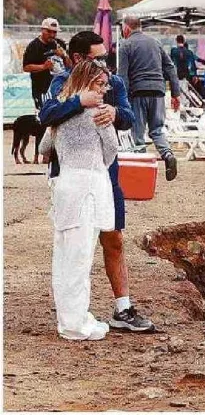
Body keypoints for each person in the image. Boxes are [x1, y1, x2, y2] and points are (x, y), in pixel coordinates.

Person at [40, 31, 154, 333]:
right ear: (79, 59)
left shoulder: (114, 84)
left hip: (104, 174)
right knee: (74, 245)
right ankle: (73, 313)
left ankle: (123, 308)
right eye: (98, 57)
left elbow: (129, 118)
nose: (105, 63)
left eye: (107, 56)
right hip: (70, 174)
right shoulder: (61, 82)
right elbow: (47, 114)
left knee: (113, 237)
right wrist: (80, 101)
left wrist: (114, 112)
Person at [38, 60, 118, 340]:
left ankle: (69, 319)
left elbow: (44, 148)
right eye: (100, 84)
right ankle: (76, 325)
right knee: (80, 258)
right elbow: (112, 149)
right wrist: (95, 164)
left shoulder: (59, 111)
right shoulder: (97, 113)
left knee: (64, 257)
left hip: (64, 185)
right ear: (88, 82)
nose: (104, 90)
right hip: (88, 185)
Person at [118, 16, 180, 181]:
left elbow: (122, 76)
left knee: (137, 133)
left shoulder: (126, 45)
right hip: (158, 92)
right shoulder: (155, 42)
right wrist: (176, 93)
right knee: (157, 130)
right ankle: (167, 155)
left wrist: (120, 99)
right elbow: (170, 68)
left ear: (126, 29)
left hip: (138, 93)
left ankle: (141, 174)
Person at [22, 18, 72, 110]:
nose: (52, 35)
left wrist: (64, 55)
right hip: (42, 89)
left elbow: (70, 66)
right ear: (42, 30)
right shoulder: (34, 46)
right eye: (49, 32)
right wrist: (43, 66)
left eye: (54, 32)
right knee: (44, 114)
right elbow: (26, 67)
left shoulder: (60, 43)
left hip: (61, 87)